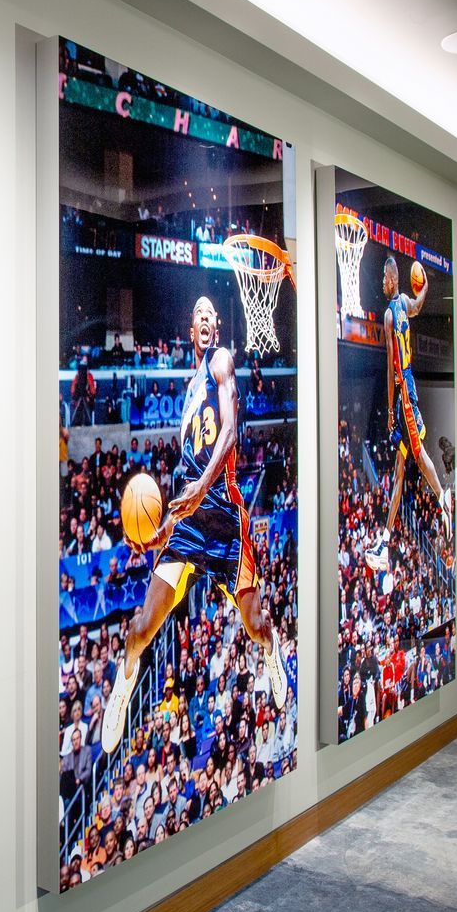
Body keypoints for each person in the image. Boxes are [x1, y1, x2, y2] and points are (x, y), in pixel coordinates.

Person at [98, 296, 289, 754]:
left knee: (255, 623)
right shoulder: (186, 391)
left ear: (216, 327)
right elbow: (185, 473)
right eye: (196, 315)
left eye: (209, 314)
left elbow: (230, 429)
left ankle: (271, 649)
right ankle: (123, 686)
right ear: (190, 330)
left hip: (222, 512)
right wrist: (158, 531)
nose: (203, 319)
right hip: (188, 523)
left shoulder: (219, 362)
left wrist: (203, 488)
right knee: (141, 628)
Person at [361, 256, 450, 575]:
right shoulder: (408, 305)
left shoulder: (389, 313)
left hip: (403, 389)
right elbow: (421, 303)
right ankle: (384, 542)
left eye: (384, 280)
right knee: (399, 471)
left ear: (391, 279)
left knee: (417, 451)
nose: (382, 284)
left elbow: (389, 366)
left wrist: (389, 407)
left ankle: (443, 498)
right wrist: (425, 285)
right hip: (407, 388)